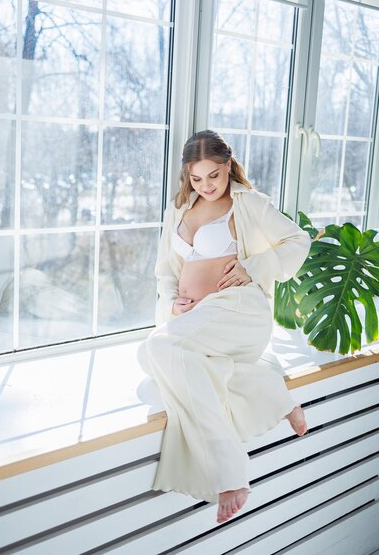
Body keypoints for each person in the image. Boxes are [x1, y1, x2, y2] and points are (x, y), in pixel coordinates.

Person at [137, 130, 311, 524]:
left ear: (227, 165)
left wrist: (253, 267)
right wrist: (172, 305)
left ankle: (230, 471)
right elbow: (165, 273)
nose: (206, 185)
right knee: (150, 355)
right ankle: (272, 393)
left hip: (238, 311)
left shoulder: (247, 204)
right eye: (197, 178)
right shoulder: (179, 210)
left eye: (213, 175)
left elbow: (297, 241)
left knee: (159, 350)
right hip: (196, 320)